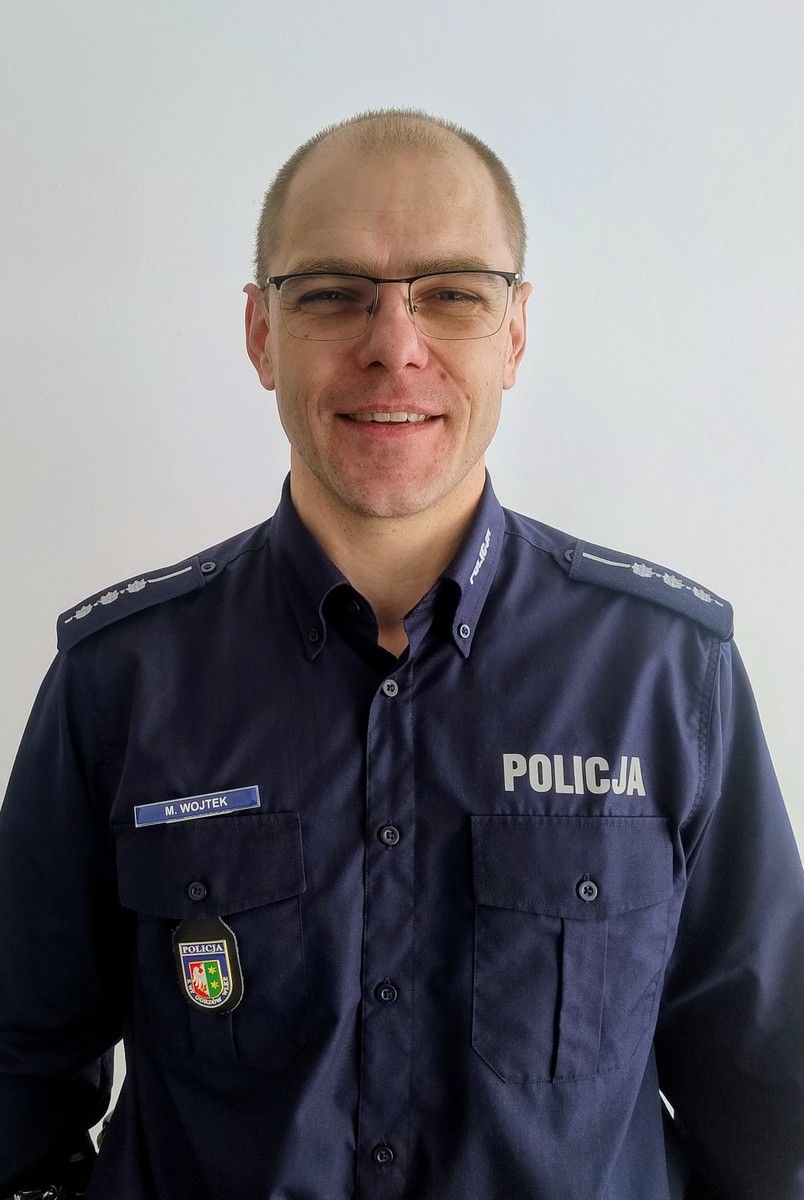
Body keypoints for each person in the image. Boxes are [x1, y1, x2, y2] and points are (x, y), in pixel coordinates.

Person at [0, 108, 802, 1200]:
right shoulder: (119, 681)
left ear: (515, 334)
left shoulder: (668, 677)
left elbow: (769, 1102)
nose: (394, 344)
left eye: (454, 294)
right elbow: (17, 1082)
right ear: (260, 333)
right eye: (332, 294)